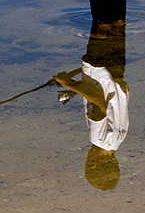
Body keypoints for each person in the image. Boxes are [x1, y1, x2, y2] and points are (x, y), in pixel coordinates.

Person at [53, 29, 129, 190]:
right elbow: (98, 101)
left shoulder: (120, 138)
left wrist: (75, 86)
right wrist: (69, 83)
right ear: (93, 165)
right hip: (98, 69)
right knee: (100, 27)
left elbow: (108, 101)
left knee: (117, 25)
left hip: (116, 71)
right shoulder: (98, 140)